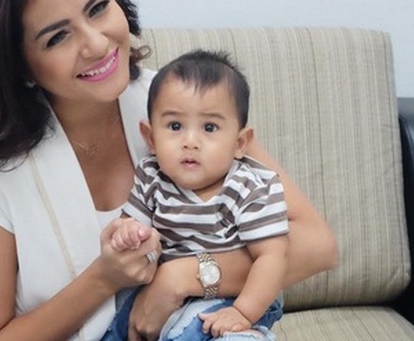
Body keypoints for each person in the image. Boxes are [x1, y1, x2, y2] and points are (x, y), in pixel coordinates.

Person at [0, 0, 338, 340]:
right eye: (58, 37)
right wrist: (104, 278)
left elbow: (316, 246)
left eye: (98, 8)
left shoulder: (177, 111)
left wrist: (181, 276)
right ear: (18, 64)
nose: (97, 44)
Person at [102, 49, 288, 341]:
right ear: (151, 138)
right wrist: (127, 233)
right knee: (116, 327)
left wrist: (243, 313)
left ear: (240, 143)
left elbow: (272, 257)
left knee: (200, 333)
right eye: (175, 126)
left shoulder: (249, 187)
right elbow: (130, 224)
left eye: (209, 127)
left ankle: (250, 335)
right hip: (163, 297)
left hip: (234, 297)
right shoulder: (152, 176)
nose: (190, 142)